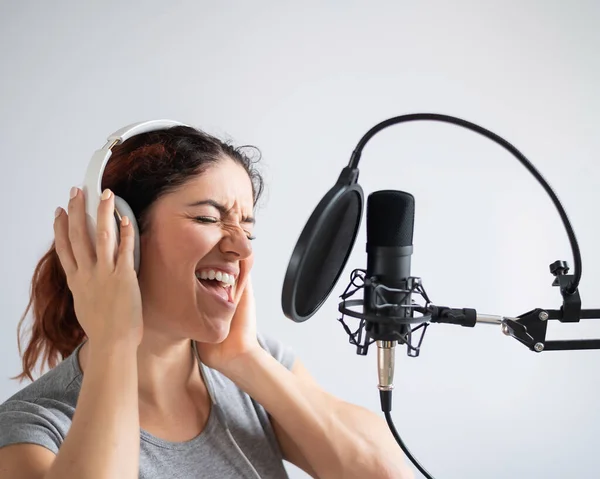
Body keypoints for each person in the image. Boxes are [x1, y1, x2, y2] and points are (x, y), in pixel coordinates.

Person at [0, 124, 413, 479]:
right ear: (118, 236)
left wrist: (244, 359)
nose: (241, 250)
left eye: (247, 230)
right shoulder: (35, 429)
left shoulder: (254, 368)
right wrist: (113, 341)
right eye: (208, 219)